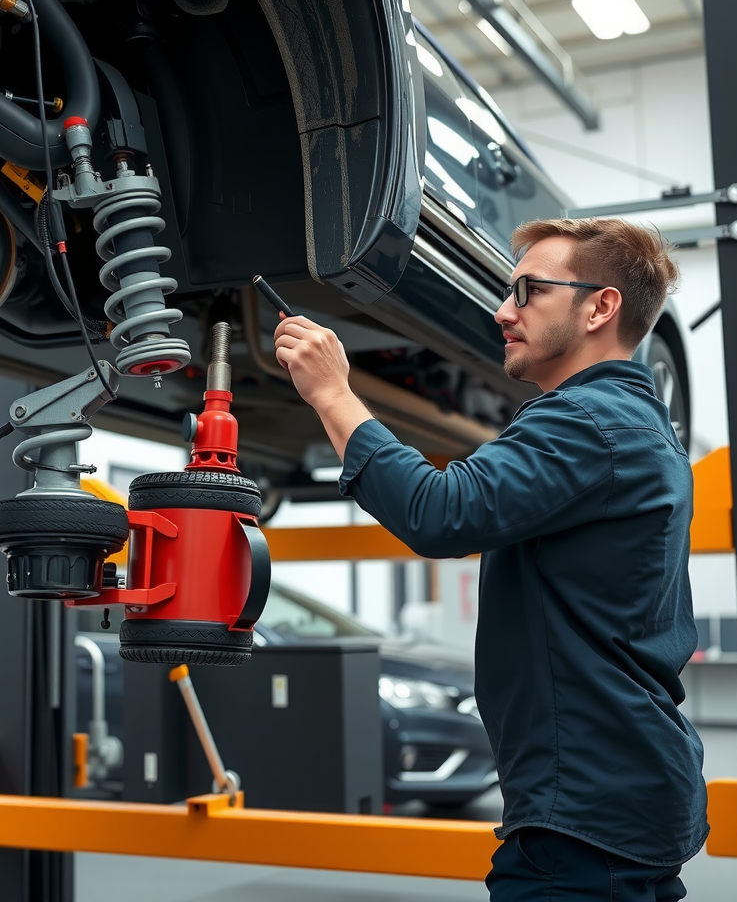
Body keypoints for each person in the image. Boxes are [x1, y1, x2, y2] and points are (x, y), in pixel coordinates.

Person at [274, 218, 706, 901]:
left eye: (528, 291)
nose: (503, 312)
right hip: (622, 800)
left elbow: (439, 512)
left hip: (587, 821)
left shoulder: (587, 422)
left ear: (600, 306)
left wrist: (333, 392)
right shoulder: (634, 425)